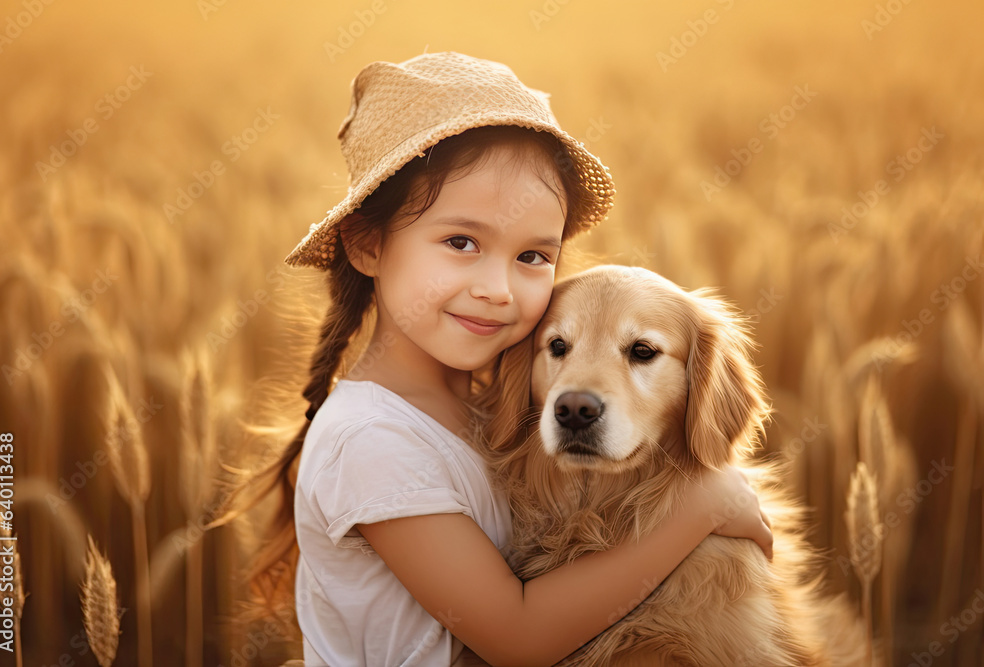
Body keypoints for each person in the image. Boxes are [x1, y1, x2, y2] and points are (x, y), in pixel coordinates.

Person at [258, 52, 773, 666]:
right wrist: (703, 509)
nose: (498, 289)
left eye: (532, 256)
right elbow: (517, 639)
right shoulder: (371, 441)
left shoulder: (491, 405)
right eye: (461, 242)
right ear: (368, 245)